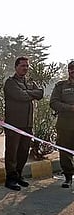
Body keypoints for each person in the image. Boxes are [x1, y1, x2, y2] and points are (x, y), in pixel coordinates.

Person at [3, 56, 44, 191]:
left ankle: (19, 175)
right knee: (12, 152)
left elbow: (40, 93)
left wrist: (28, 93)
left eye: (27, 66)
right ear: (16, 67)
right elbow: (20, 96)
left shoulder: (30, 82)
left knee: (23, 152)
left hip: (27, 124)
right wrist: (30, 94)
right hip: (14, 124)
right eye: (22, 66)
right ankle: (10, 178)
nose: (25, 68)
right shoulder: (10, 83)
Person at [50, 60, 74, 188]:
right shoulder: (61, 86)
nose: (73, 71)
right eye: (71, 69)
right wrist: (70, 108)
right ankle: (68, 177)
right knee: (65, 152)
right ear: (68, 71)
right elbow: (53, 102)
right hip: (65, 124)